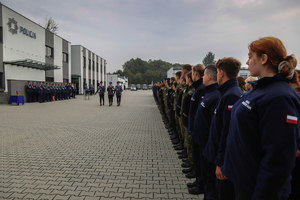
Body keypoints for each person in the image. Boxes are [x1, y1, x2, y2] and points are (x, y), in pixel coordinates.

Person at [222, 36, 300, 200]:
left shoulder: (280, 97)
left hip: (256, 188)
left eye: (251, 56)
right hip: (243, 181)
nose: (247, 61)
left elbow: (278, 157)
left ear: (264, 58)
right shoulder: (261, 90)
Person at [203, 57, 242, 200]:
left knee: (218, 193)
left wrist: (221, 162)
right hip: (215, 154)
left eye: (217, 72)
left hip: (221, 160)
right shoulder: (227, 92)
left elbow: (227, 132)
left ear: (221, 73)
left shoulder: (231, 95)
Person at [189, 65, 220, 196]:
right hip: (200, 138)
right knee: (202, 166)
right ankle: (200, 183)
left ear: (209, 76)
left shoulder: (215, 94)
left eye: (204, 75)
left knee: (208, 173)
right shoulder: (207, 92)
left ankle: (202, 186)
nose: (202, 78)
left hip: (206, 141)